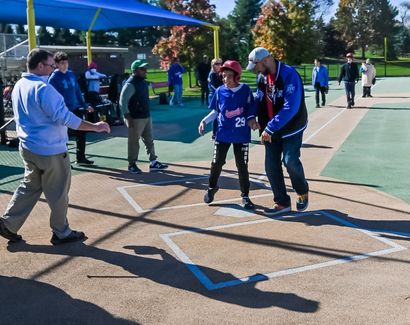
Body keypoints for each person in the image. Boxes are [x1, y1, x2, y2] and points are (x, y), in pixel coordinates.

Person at [0, 49, 110, 245]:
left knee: (30, 186)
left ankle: (8, 223)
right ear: (40, 66)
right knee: (58, 192)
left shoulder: (19, 85)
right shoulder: (44, 89)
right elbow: (66, 118)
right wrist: (95, 126)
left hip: (28, 147)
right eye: (51, 65)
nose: (54, 69)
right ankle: (61, 232)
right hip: (50, 150)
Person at [246, 47, 309, 216]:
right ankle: (282, 202)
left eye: (257, 66)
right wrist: (251, 116)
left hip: (291, 128)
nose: (256, 71)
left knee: (289, 161)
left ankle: (302, 191)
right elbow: (259, 97)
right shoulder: (262, 77)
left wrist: (270, 127)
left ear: (266, 60)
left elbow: (291, 107)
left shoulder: (289, 75)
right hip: (270, 129)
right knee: (271, 166)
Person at [198, 60, 258, 210]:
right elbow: (216, 111)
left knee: (242, 165)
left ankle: (245, 196)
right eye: (223, 76)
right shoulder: (220, 91)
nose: (225, 79)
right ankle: (212, 187)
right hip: (223, 133)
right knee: (216, 162)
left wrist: (252, 120)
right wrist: (204, 121)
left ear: (237, 77)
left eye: (229, 76)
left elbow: (251, 110)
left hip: (241, 135)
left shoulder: (245, 90)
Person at [119, 59, 168, 174]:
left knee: (149, 140)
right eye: (142, 69)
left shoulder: (142, 82)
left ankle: (153, 162)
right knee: (134, 142)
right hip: (135, 118)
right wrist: (127, 116)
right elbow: (122, 101)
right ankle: (132, 164)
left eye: (145, 68)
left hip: (146, 116)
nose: (145, 70)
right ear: (135, 71)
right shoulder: (130, 84)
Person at [49, 51, 95, 165]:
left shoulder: (71, 74)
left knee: (81, 132)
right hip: (62, 112)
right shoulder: (53, 78)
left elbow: (77, 91)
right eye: (62, 63)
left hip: (75, 109)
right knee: (64, 137)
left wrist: (84, 105)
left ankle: (81, 158)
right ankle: (64, 162)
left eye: (66, 63)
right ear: (56, 64)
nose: (65, 65)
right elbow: (51, 97)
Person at [207, 57, 223, 140]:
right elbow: (216, 87)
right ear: (213, 65)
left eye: (221, 63)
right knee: (215, 114)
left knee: (220, 114)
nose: (220, 65)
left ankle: (219, 132)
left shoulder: (219, 74)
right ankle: (214, 134)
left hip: (219, 96)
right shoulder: (212, 74)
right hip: (214, 97)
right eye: (217, 64)